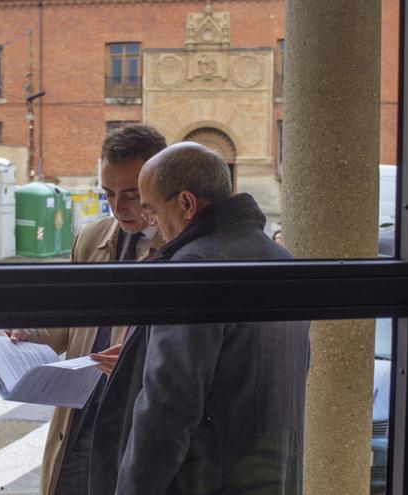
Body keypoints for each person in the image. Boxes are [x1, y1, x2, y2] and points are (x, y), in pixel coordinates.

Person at [90, 142, 310, 495]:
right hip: (265, 475)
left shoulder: (191, 272)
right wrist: (141, 355)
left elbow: (167, 410)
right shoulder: (278, 258)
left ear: (187, 204)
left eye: (152, 211)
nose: (155, 226)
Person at [0, 124, 167, 495]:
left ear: (157, 185)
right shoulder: (91, 238)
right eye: (107, 193)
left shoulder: (183, 250)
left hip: (135, 427)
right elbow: (67, 325)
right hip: (78, 421)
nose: (118, 207)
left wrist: (140, 359)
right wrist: (28, 331)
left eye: (131, 194)